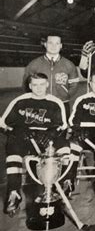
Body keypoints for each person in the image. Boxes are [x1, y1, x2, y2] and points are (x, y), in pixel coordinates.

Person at [0, 73, 71, 216]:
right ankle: (14, 193)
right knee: (13, 148)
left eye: (42, 84)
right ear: (30, 86)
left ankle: (64, 183)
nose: (38, 88)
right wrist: (19, 131)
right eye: (35, 85)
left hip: (46, 138)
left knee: (64, 145)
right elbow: (2, 124)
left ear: (47, 84)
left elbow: (63, 127)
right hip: (24, 138)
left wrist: (51, 133)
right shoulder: (20, 101)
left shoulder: (55, 102)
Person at [23, 34, 79, 116]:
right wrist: (35, 98)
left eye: (57, 43)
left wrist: (65, 96)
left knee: (62, 127)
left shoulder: (69, 64)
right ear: (45, 45)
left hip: (62, 104)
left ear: (61, 46)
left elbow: (74, 85)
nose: (54, 46)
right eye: (50, 43)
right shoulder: (34, 64)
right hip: (40, 104)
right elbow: (26, 85)